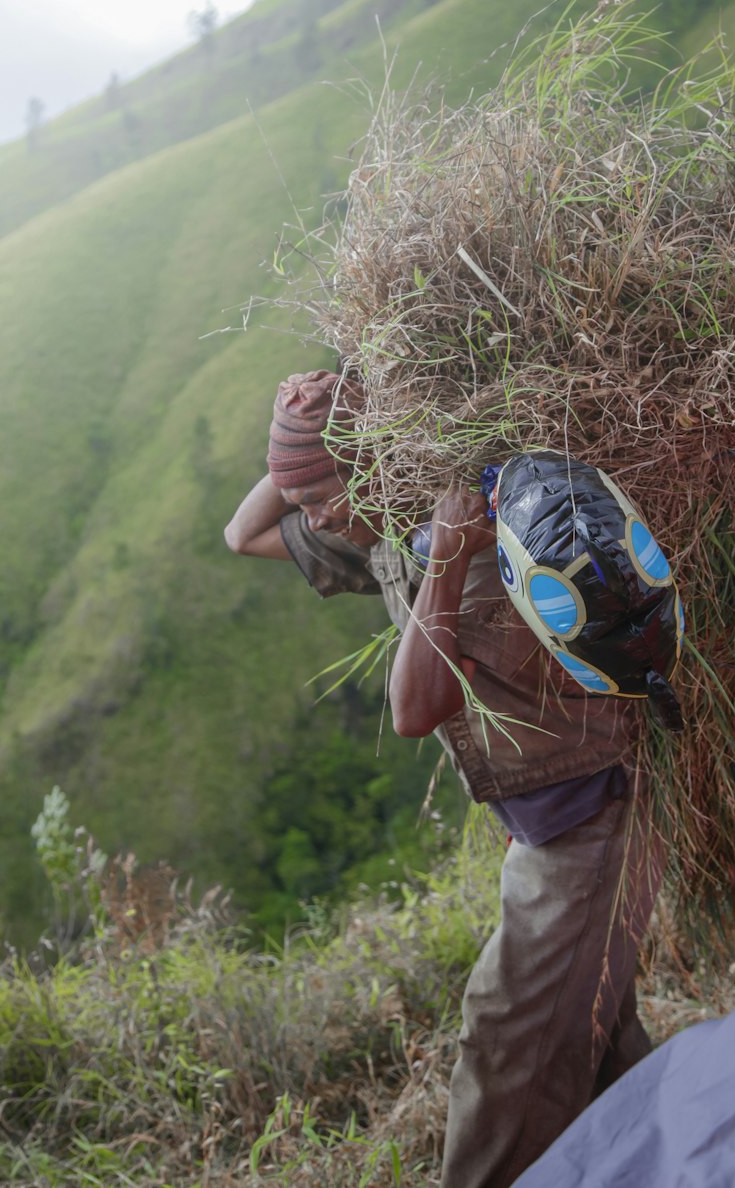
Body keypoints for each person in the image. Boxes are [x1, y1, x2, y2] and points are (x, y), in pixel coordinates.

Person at [225, 370, 663, 1187]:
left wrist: (452, 558)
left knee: (506, 1043)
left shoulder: (498, 541)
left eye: (322, 497)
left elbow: (414, 708)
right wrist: (303, 426)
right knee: (595, 1039)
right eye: (306, 499)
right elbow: (242, 534)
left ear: (375, 472)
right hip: (543, 828)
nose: (312, 517)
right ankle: (665, 1160)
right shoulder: (388, 533)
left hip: (594, 825)